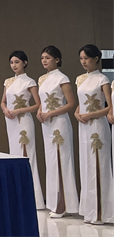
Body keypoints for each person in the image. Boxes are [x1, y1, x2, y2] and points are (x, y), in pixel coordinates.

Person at [36, 45, 79, 219]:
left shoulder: (62, 78)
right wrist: (40, 110)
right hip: (46, 124)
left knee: (62, 160)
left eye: (48, 58)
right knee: (52, 161)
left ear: (57, 59)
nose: (44, 61)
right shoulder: (42, 79)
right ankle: (54, 201)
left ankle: (64, 203)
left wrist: (50, 113)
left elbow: (71, 104)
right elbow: (42, 101)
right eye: (42, 58)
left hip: (59, 123)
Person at [74, 44, 113, 225]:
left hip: (97, 126)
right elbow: (80, 102)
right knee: (87, 165)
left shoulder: (102, 79)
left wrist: (91, 115)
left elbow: (109, 107)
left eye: (86, 58)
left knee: (99, 165)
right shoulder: (80, 79)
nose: (83, 62)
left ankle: (102, 213)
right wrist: (77, 113)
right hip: (83, 126)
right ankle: (89, 211)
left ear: (96, 59)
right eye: (81, 58)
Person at [0, 50, 45, 210]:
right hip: (10, 121)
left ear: (24, 63)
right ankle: (17, 196)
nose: (14, 65)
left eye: (17, 62)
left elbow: (38, 104)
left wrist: (19, 110)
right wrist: (5, 109)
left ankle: (33, 199)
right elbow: (3, 101)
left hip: (24, 121)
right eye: (12, 62)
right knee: (14, 154)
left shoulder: (30, 82)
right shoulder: (8, 81)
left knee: (27, 155)